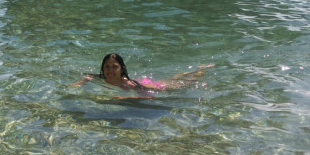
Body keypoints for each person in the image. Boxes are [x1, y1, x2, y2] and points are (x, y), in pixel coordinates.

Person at [71, 53, 213, 92]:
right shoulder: (100, 77)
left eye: (114, 67)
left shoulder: (128, 84)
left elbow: (148, 97)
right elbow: (88, 77)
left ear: (122, 68)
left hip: (152, 86)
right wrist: (79, 83)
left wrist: (124, 99)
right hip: (143, 81)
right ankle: (189, 72)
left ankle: (200, 71)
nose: (110, 70)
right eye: (107, 66)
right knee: (175, 78)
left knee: (181, 84)